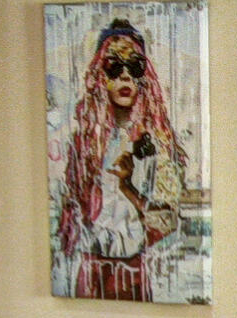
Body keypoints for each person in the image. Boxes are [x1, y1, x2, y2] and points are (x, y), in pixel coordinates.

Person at [54, 18, 189, 300]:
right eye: (115, 67)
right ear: (101, 75)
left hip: (135, 269)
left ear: (144, 76)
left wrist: (128, 187)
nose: (125, 77)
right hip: (90, 268)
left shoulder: (159, 144)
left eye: (134, 67)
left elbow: (166, 222)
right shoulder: (84, 144)